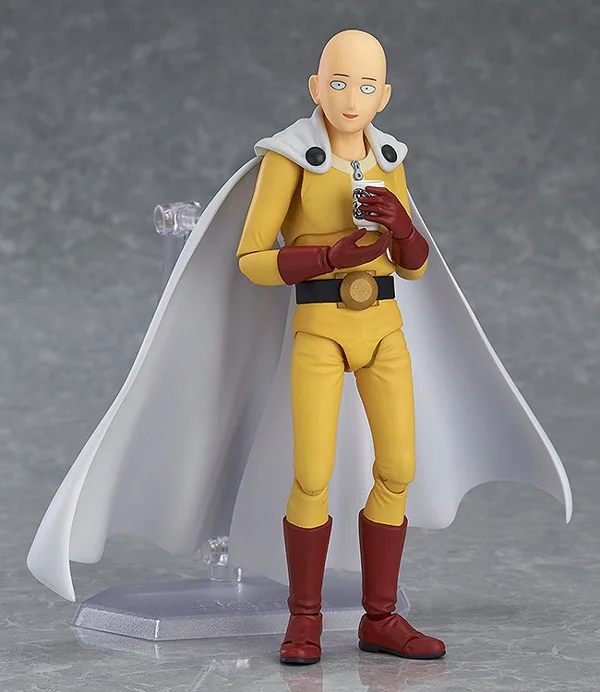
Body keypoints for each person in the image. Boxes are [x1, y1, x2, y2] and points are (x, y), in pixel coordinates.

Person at [236, 29, 445, 664]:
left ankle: (381, 618)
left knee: (399, 469)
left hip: (383, 327)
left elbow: (414, 268)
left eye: (364, 86)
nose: (350, 99)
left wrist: (402, 227)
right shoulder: (289, 157)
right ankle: (304, 619)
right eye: (337, 83)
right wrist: (328, 257)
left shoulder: (388, 156)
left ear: (384, 96)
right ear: (315, 87)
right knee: (312, 474)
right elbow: (252, 259)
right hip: (321, 327)